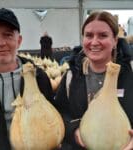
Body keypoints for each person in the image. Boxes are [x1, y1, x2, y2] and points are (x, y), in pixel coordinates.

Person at [54, 11, 133, 150]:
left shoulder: (130, 73)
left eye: (103, 35)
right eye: (89, 35)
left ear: (115, 40)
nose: (94, 42)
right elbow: (59, 112)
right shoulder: (71, 76)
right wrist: (73, 130)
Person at [0, 8, 54, 150]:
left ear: (19, 40)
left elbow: (51, 121)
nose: (1, 42)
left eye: (8, 35)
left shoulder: (40, 78)